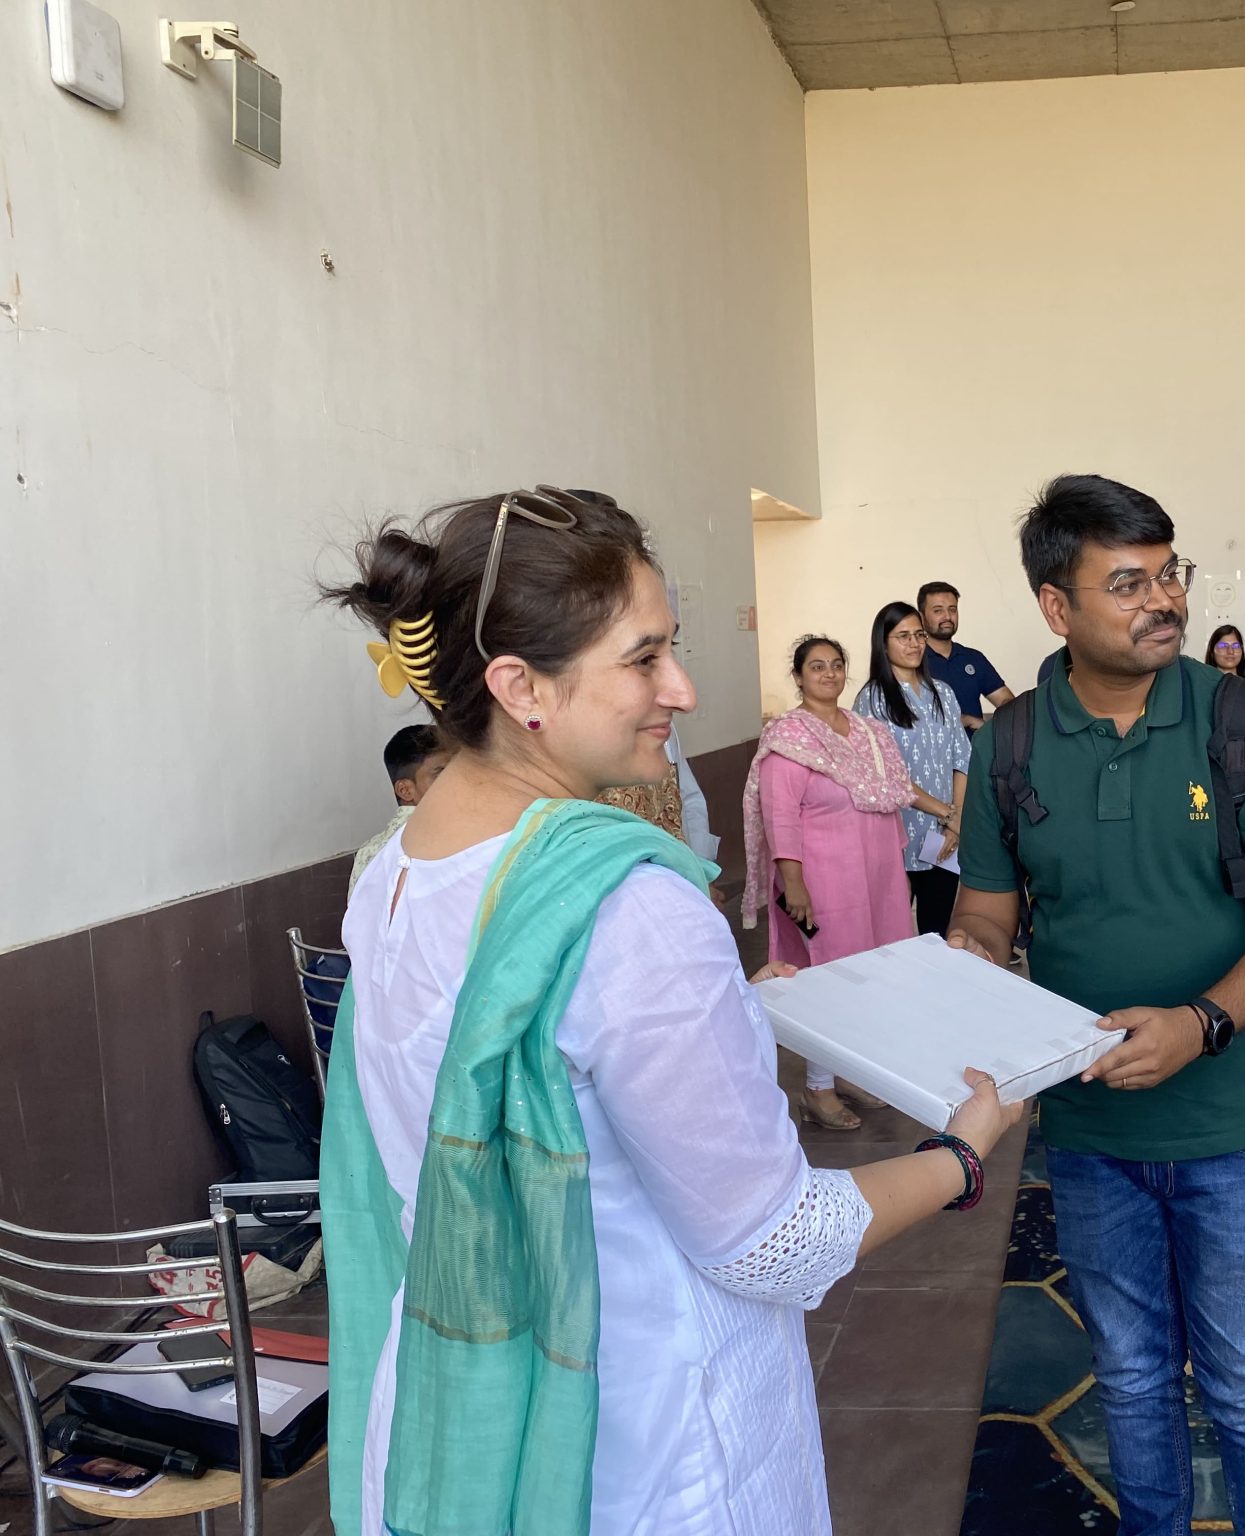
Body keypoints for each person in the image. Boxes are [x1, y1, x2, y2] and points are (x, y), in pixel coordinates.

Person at [318, 486, 1022, 1536]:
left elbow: (543, 1047)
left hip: (472, 1396)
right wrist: (960, 1159)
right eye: (643, 658)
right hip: (645, 1441)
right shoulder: (629, 906)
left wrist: (728, 1005)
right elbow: (769, 1241)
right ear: (519, 687)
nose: (682, 689)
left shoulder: (393, 876)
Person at [947, 474, 1245, 1534]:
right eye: (1128, 583)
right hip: (1090, 1128)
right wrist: (964, 958)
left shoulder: (1242, 725)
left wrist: (1198, 1025)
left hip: (1235, 1123)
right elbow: (987, 916)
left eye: (1170, 573)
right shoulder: (1009, 744)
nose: (1163, 600)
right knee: (1130, 1376)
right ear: (1055, 607)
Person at [744, 634, 955, 1130]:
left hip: (877, 875)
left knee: (876, 974)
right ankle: (818, 1088)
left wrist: (949, 813)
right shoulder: (789, 740)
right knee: (830, 979)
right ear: (798, 677)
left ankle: (852, 1072)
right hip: (824, 881)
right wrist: (793, 885)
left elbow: (898, 790)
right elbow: (781, 818)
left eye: (836, 665)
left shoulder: (868, 732)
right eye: (816, 667)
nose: (829, 674)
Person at [855, 600, 973, 935]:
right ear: (884, 643)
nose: (914, 643)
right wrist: (946, 813)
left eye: (919, 634)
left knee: (937, 931)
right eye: (902, 636)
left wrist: (956, 820)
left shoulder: (944, 694)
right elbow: (886, 774)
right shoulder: (873, 699)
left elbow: (961, 760)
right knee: (891, 936)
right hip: (897, 836)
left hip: (944, 839)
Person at [347, 725, 450, 895]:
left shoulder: (369, 851)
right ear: (405, 790)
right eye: (441, 773)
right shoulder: (450, 839)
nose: (456, 783)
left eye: (457, 772)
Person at [919, 580, 1015, 730]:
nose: (947, 617)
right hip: (932, 751)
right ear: (921, 617)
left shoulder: (973, 658)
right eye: (938, 611)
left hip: (976, 751)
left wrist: (991, 727)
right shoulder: (914, 661)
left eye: (952, 609)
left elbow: (1006, 700)